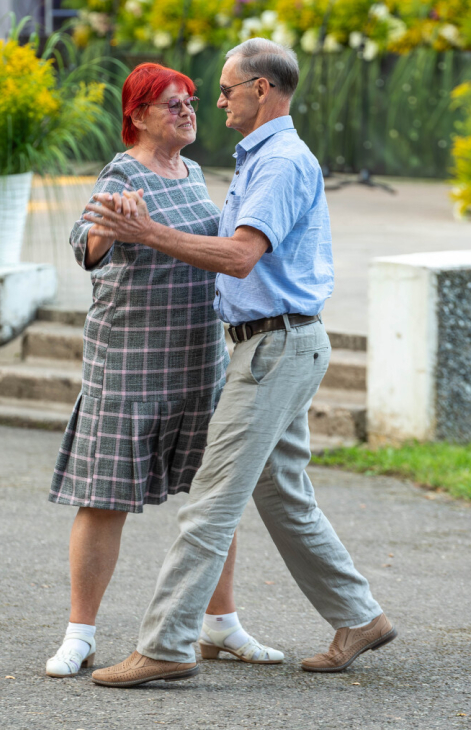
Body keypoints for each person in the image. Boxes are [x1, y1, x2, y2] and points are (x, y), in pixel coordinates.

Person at [85, 39, 396, 688]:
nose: (216, 101)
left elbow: (238, 256)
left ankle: (167, 644)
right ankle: (359, 618)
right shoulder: (258, 157)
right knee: (282, 495)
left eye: (225, 91)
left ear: (262, 90)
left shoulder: (279, 162)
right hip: (278, 344)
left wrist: (148, 233)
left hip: (274, 348)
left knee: (211, 500)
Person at [45, 62, 283, 677]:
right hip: (129, 362)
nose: (187, 111)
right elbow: (85, 246)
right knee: (104, 500)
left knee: (215, 498)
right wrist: (110, 228)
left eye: (191, 101)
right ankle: (79, 635)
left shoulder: (194, 172)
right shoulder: (123, 173)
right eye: (172, 104)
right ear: (138, 115)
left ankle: (220, 624)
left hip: (197, 361)